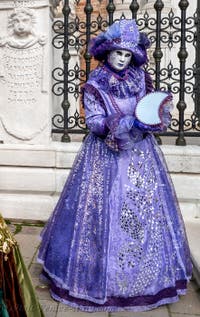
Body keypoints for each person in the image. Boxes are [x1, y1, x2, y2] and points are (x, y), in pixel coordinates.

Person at [38, 19, 192, 312]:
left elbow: (150, 109)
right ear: (107, 52)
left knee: (140, 207)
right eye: (118, 53)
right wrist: (122, 123)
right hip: (105, 156)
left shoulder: (139, 78)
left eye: (127, 54)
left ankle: (140, 274)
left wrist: (150, 120)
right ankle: (98, 275)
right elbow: (94, 122)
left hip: (140, 154)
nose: (123, 58)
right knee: (101, 209)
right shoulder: (95, 84)